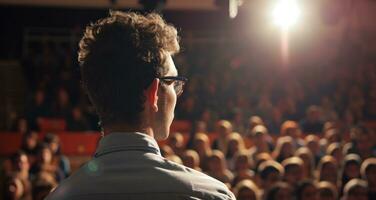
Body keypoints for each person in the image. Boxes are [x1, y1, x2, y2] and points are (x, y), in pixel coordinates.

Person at [46, 11, 235, 200]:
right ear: (153, 93)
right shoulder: (211, 195)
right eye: (171, 82)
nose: (178, 93)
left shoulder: (59, 197)